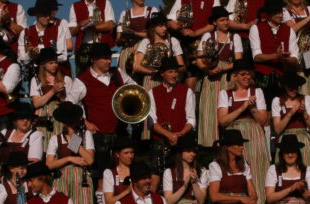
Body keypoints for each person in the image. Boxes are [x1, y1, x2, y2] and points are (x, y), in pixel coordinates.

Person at [72, 42, 137, 175]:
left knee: (123, 171)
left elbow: (135, 90)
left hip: (120, 132)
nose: (109, 61)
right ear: (94, 60)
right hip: (98, 136)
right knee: (100, 173)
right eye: (105, 58)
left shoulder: (118, 73)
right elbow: (69, 107)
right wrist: (85, 122)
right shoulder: (81, 80)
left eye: (110, 57)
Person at [217, 58, 270, 204]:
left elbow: (263, 120)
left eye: (249, 74)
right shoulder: (225, 94)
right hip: (234, 134)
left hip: (253, 134)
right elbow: (223, 120)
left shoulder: (257, 92)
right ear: (235, 76)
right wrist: (243, 107)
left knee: (257, 169)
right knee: (236, 168)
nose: (247, 77)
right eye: (243, 74)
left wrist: (252, 108)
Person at [45, 102, 97, 204]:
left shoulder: (85, 135)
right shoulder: (55, 138)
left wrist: (73, 140)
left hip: (81, 179)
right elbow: (49, 164)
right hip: (63, 179)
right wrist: (68, 158)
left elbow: (89, 160)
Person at [195, 6, 242, 146]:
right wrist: (206, 69)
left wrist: (223, 68)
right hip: (210, 77)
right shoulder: (207, 36)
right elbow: (199, 58)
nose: (226, 22)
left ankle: (228, 141)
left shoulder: (235, 37)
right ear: (215, 22)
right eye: (222, 20)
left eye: (227, 19)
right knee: (209, 110)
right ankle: (210, 145)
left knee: (227, 108)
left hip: (227, 78)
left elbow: (238, 61)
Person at [167, 0, 221, 89]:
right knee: (189, 81)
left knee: (211, 80)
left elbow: (215, 23)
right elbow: (170, 21)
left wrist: (196, 33)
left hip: (208, 44)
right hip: (187, 45)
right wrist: (182, 30)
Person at [148, 57, 196, 181]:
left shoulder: (187, 91)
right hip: (160, 141)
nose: (174, 75)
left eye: (175, 71)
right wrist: (169, 135)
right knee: (155, 174)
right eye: (170, 72)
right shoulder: (152, 92)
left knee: (179, 176)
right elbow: (151, 121)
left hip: (181, 141)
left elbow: (191, 119)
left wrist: (180, 134)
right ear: (162, 73)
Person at [272, 72, 310, 183]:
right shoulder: (277, 101)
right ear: (284, 86)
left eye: (296, 87)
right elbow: (277, 128)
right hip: (285, 139)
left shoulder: (306, 99)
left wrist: (304, 113)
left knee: (305, 169)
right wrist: (291, 112)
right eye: (290, 87)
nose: (293, 90)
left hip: (303, 139)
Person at [30, 47, 83, 146]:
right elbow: (37, 103)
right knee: (47, 144)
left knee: (68, 142)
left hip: (63, 114)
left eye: (56, 62)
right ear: (43, 65)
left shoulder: (65, 79)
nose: (55, 65)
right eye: (51, 63)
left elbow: (71, 102)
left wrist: (62, 96)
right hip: (46, 117)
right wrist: (53, 91)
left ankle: (72, 156)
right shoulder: (36, 80)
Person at [249, 0, 299, 102]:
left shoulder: (289, 31)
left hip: (282, 77)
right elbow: (256, 57)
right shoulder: (256, 28)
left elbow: (295, 58)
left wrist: (286, 58)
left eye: (281, 12)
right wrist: (276, 56)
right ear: (269, 13)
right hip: (262, 77)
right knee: (264, 108)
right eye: (277, 12)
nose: (281, 15)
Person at [68, 0, 116, 73]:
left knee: (102, 75)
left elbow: (110, 24)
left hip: (102, 44)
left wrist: (94, 27)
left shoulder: (106, 3)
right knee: (83, 77)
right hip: (84, 46)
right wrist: (81, 25)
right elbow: (71, 32)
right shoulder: (75, 6)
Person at [132, 13, 185, 101]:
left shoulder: (173, 41)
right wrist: (154, 71)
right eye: (161, 26)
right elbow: (136, 66)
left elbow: (182, 66)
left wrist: (169, 72)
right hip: (151, 80)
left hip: (170, 81)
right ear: (153, 27)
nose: (164, 28)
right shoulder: (146, 42)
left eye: (165, 25)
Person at [0, 103, 44, 176]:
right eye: (21, 117)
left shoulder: (36, 135)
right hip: (3, 177)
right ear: (14, 121)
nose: (25, 120)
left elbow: (34, 163)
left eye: (28, 117)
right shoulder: (4, 134)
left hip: (25, 177)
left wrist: (4, 170)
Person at [116, 0, 157, 73]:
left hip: (148, 51)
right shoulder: (124, 14)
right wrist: (123, 37)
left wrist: (135, 33)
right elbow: (118, 40)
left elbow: (156, 34)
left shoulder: (152, 10)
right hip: (129, 51)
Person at [17, 0, 68, 68]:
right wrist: (30, 55)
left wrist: (42, 56)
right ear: (36, 14)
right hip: (34, 74)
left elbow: (63, 56)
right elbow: (20, 60)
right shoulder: (25, 33)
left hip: (55, 73)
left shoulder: (58, 29)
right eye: (44, 14)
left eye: (49, 14)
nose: (48, 17)